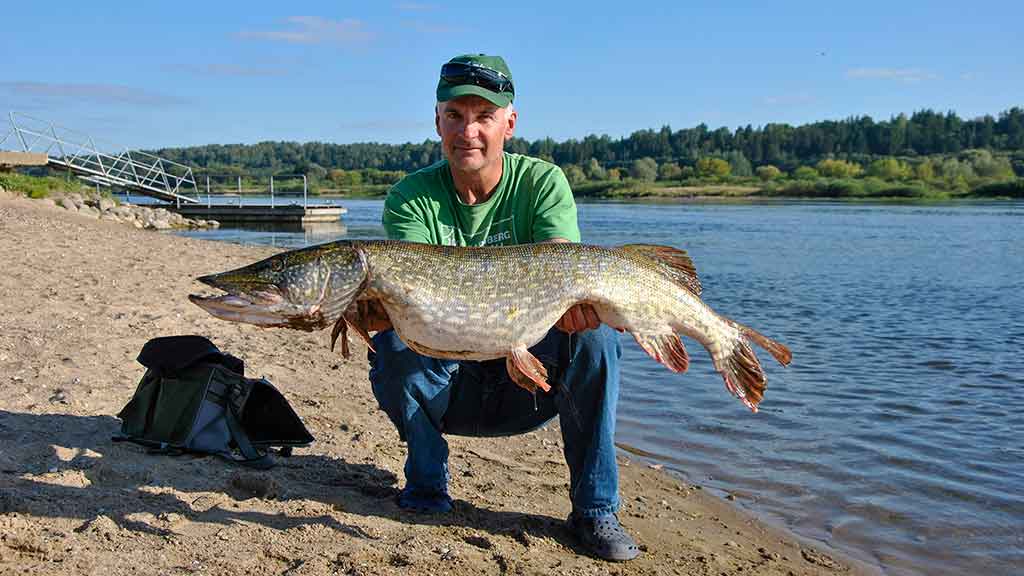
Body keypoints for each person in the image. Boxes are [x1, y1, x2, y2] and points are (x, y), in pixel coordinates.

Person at [361, 54, 640, 562]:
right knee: (393, 339)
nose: (468, 131)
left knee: (596, 338)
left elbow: (561, 266)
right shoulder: (409, 197)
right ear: (437, 120)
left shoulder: (542, 182)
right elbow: (409, 304)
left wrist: (572, 310)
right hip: (452, 388)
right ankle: (427, 484)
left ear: (509, 123)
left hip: (528, 387)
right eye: (455, 115)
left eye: (484, 116)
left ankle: (595, 510)